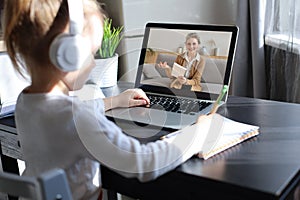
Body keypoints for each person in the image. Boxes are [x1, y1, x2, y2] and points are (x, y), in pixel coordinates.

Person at [3, 0, 216, 199]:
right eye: (92, 54)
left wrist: (113, 102)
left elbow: (66, 118)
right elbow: (143, 163)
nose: (94, 64)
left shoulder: (25, 102)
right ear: (68, 54)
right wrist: (197, 134)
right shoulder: (77, 118)